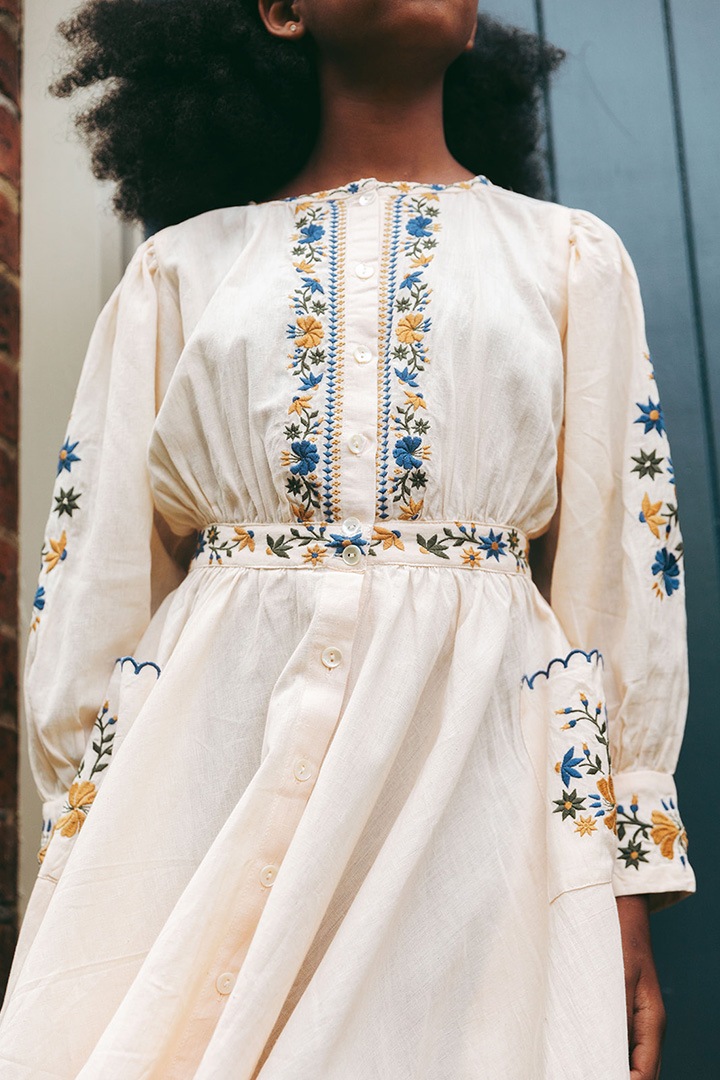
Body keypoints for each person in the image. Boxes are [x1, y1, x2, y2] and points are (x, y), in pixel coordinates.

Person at [0, 2, 695, 1078]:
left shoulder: (570, 259)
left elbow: (618, 579)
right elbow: (97, 577)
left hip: (475, 805)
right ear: (283, 10)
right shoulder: (180, 272)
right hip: (200, 794)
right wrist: (82, 851)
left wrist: (624, 883)